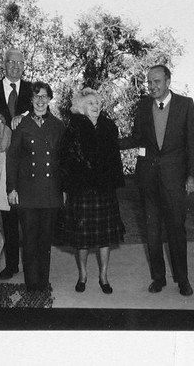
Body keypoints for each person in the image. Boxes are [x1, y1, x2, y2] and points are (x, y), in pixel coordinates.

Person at [119, 65, 194, 296]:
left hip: (175, 180)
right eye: (149, 82)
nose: (152, 86)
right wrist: (107, 141)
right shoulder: (143, 106)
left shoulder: (185, 104)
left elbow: (192, 143)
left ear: (168, 81)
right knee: (152, 232)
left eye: (157, 82)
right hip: (148, 180)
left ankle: (183, 280)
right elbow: (137, 137)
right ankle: (158, 278)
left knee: (176, 230)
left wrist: (192, 176)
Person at [59, 88, 125, 294]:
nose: (95, 106)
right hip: (82, 192)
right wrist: (70, 186)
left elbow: (115, 159)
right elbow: (66, 162)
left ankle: (104, 276)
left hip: (104, 191)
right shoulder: (73, 129)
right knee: (83, 237)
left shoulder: (109, 127)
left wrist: (111, 180)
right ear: (80, 108)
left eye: (97, 103)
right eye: (90, 103)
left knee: (104, 237)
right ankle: (83, 275)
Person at [6, 81, 65, 291]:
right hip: (27, 190)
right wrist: (11, 188)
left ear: (50, 99)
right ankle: (32, 284)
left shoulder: (58, 126)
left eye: (44, 96)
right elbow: (12, 157)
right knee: (29, 239)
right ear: (31, 100)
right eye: (36, 97)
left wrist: (64, 190)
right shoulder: (21, 124)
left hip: (50, 190)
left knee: (44, 239)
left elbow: (63, 160)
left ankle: (43, 280)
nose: (40, 101)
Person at [0, 47, 33, 280]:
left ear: (24, 66)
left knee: (29, 215)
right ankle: (11, 265)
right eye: (11, 62)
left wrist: (26, 115)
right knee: (8, 215)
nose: (15, 66)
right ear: (5, 64)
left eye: (20, 63)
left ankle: (32, 265)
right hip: (2, 161)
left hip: (27, 160)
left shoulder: (33, 89)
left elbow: (43, 113)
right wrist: (2, 118)